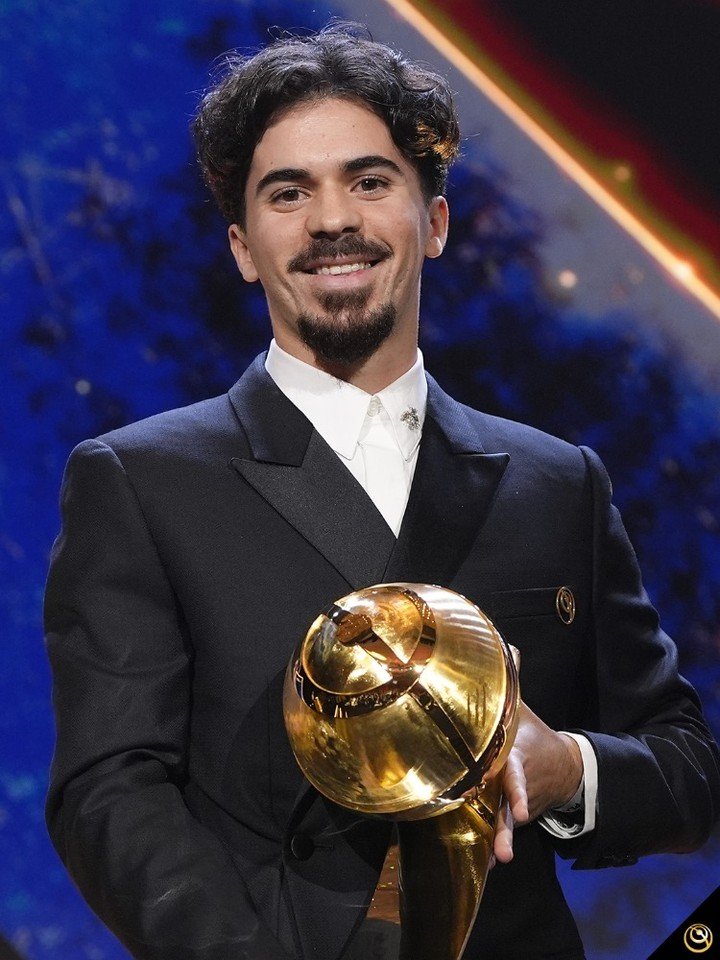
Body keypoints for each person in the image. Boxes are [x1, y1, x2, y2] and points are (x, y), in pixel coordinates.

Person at [44, 24, 720, 960]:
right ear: (243, 248)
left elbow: (688, 772)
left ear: (433, 223)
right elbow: (108, 794)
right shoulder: (140, 481)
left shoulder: (558, 481)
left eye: (369, 181)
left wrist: (568, 769)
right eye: (289, 193)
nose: (331, 220)